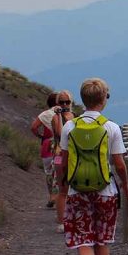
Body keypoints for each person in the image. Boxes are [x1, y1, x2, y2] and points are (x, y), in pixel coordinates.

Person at [58, 78, 128, 255]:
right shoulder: (112, 128)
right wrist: (126, 187)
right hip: (105, 190)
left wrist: (62, 184)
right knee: (102, 240)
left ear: (82, 99)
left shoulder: (70, 127)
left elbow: (64, 162)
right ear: (103, 100)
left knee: (83, 240)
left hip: (78, 191)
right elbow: (119, 164)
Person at [51, 90, 76, 233]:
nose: (65, 105)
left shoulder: (74, 116)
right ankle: (61, 222)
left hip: (72, 154)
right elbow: (60, 134)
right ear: (57, 103)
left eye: (67, 102)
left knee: (72, 189)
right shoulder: (56, 117)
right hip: (60, 154)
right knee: (63, 190)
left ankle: (71, 218)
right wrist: (60, 116)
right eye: (62, 102)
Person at [30, 92, 59, 208]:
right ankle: (58, 195)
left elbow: (33, 127)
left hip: (47, 144)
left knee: (48, 172)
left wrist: (40, 136)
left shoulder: (44, 114)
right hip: (59, 145)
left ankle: (52, 195)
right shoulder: (64, 114)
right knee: (59, 171)